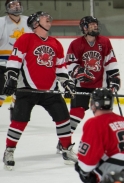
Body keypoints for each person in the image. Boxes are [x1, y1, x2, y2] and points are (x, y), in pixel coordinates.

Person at [1, 11, 78, 170]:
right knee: (19, 121)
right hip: (27, 90)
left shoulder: (55, 43)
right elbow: (15, 60)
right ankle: (9, 151)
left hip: (50, 91)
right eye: (44, 17)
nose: (48, 18)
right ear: (36, 23)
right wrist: (11, 78)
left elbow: (60, 67)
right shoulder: (25, 39)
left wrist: (67, 83)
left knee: (63, 118)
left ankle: (67, 149)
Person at [59, 15, 120, 153]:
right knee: (76, 114)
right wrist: (78, 72)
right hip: (81, 86)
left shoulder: (105, 42)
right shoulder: (76, 44)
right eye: (91, 25)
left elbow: (111, 62)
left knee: (103, 115)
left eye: (95, 24)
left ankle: (107, 143)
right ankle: (63, 142)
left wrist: (114, 79)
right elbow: (69, 63)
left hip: (100, 86)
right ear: (84, 28)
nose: (95, 26)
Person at [0, 0, 32, 116]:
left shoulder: (28, 21)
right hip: (4, 63)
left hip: (23, 63)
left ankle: (16, 113)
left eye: (18, 4)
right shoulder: (1, 22)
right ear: (7, 8)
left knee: (19, 91)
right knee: (2, 91)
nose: (16, 6)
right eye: (13, 5)